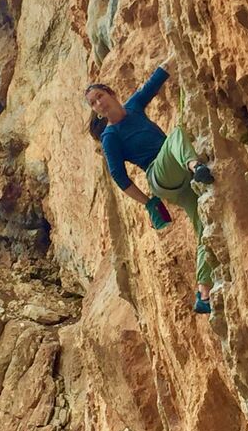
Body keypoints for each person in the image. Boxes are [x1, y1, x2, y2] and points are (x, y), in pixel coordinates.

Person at [85, 57, 215, 313]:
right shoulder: (110, 136)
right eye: (93, 103)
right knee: (176, 134)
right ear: (96, 111)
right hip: (159, 174)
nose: (99, 103)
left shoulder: (133, 107)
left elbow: (154, 82)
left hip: (177, 176)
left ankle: (204, 292)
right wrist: (148, 203)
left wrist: (175, 54)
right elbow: (119, 177)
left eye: (100, 96)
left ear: (111, 93)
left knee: (205, 226)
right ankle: (196, 166)